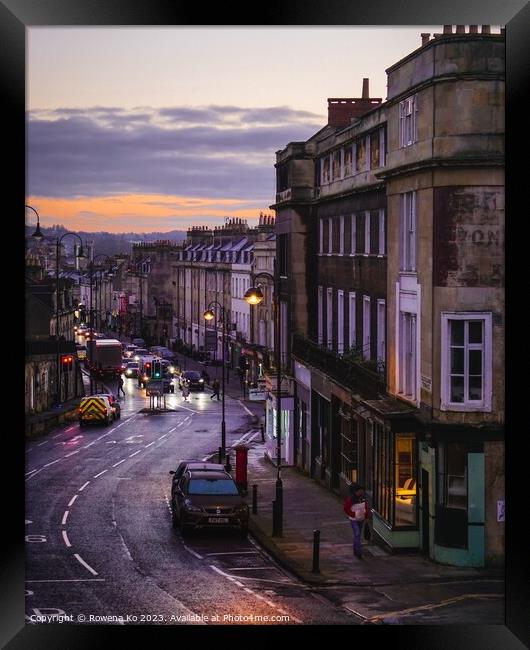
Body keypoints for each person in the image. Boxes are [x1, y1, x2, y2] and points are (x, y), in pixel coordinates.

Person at [343, 483, 371, 559]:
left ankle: (356, 549)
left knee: (357, 535)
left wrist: (366, 516)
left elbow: (364, 507)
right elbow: (346, 508)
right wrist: (353, 514)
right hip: (354, 520)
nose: (362, 492)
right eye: (361, 490)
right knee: (357, 534)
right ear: (357, 491)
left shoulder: (362, 498)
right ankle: (358, 551)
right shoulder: (351, 499)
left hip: (361, 519)